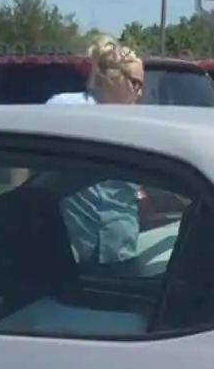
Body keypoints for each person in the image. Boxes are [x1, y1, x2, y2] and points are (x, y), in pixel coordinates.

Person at [46, 37, 145, 264]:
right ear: (113, 79)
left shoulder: (139, 125)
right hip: (72, 249)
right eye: (135, 83)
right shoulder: (64, 109)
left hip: (119, 249)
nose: (139, 94)